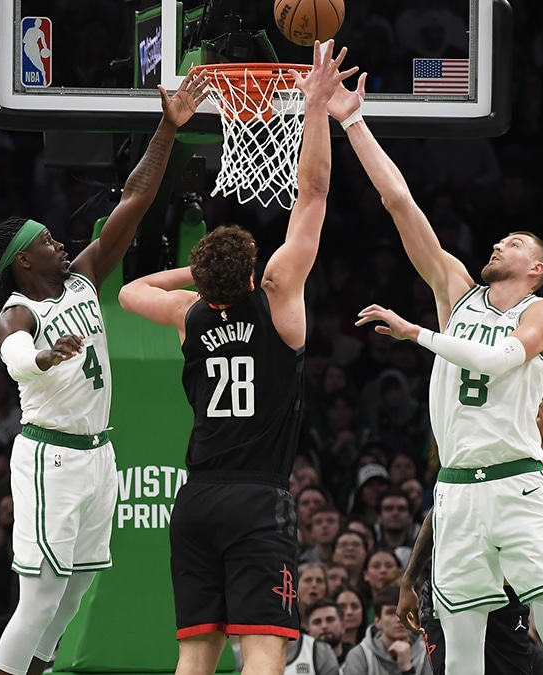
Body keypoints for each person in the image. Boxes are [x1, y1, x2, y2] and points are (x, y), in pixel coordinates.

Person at [0, 70, 209, 675]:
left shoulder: (84, 278)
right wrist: (41, 357)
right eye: (48, 242)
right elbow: (15, 361)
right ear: (22, 261)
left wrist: (167, 127)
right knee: (37, 599)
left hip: (98, 453)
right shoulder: (19, 312)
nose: (61, 244)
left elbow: (134, 201)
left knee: (79, 585)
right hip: (49, 457)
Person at [331, 68, 543, 675]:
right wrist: (352, 121)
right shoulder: (456, 292)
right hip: (456, 491)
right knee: (461, 651)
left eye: (516, 242)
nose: (500, 243)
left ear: (537, 269)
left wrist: (417, 333)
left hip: (519, 483)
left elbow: (499, 361)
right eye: (501, 238)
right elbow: (400, 202)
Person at [117, 41, 354, 675]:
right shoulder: (278, 298)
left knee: (194, 657)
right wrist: (314, 108)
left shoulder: (187, 315)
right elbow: (313, 194)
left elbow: (130, 290)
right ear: (254, 272)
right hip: (257, 499)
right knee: (263, 652)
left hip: (196, 500)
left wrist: (196, 277)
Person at [397, 398, 543, 674]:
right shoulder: (478, 470)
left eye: (531, 414)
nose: (519, 417)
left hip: (511, 600)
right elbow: (438, 515)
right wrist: (408, 581)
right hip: (459, 587)